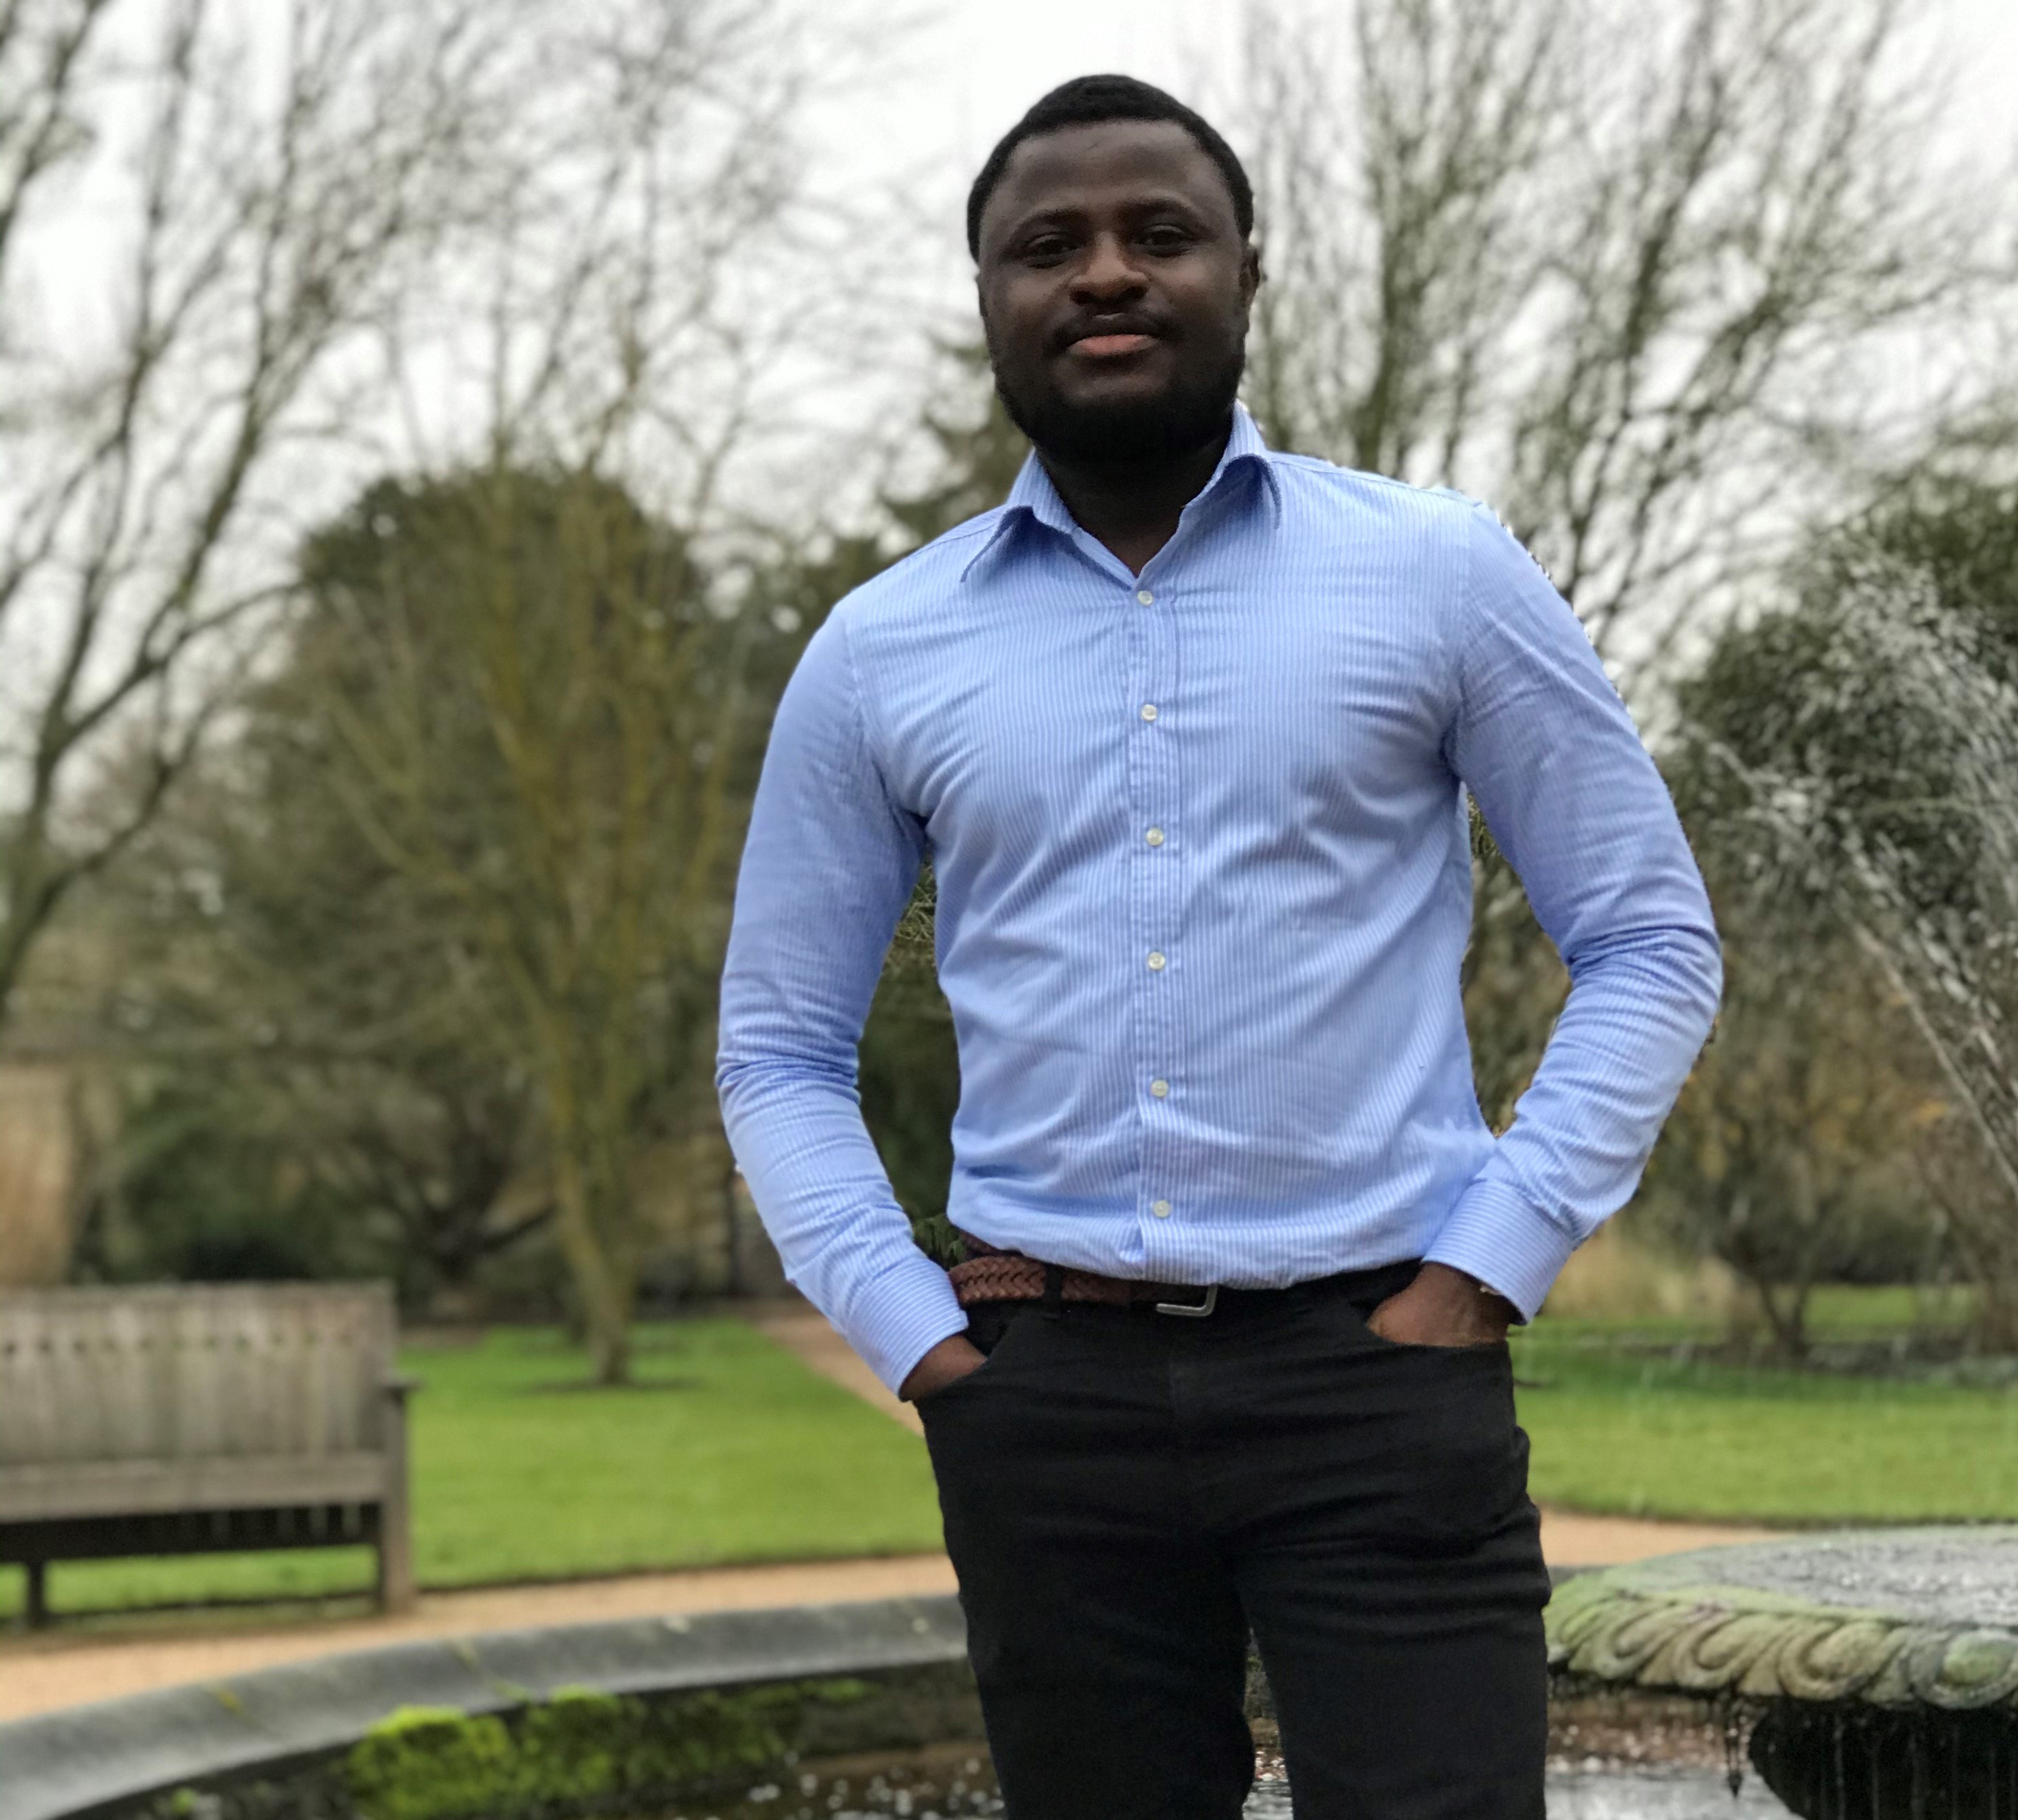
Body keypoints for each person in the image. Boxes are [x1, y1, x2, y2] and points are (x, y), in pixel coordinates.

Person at [716, 73, 1722, 1820]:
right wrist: (923, 1347)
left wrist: (1486, 1263)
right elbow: (776, 1049)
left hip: (1382, 1380)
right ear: (989, 304)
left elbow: (1648, 938)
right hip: (1050, 1406)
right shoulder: (880, 652)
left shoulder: (1439, 573)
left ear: (1248, 274)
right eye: (1049, 246)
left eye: (1159, 235)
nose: (1105, 273)